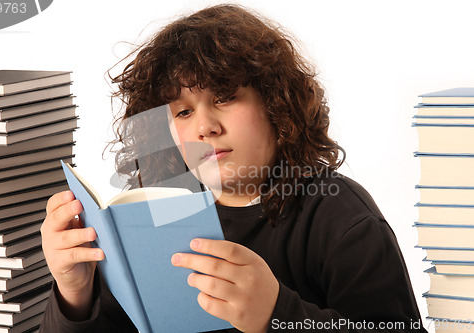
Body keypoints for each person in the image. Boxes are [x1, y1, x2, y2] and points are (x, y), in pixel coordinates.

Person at [40, 4, 427, 332]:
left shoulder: (341, 218)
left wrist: (276, 316)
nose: (204, 127)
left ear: (277, 105)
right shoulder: (155, 217)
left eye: (224, 97)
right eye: (184, 112)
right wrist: (74, 293)